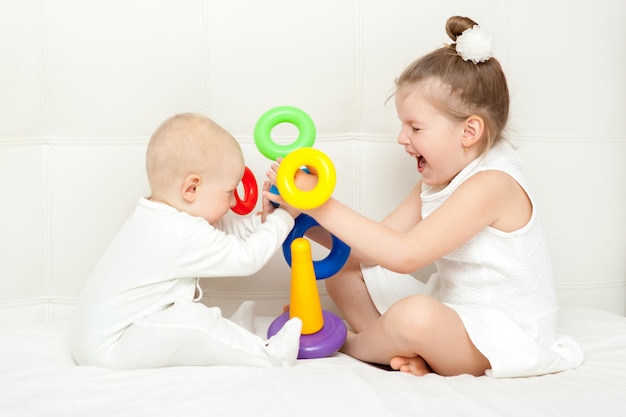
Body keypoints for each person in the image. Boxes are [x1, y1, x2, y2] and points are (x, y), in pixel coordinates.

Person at [265, 16, 583, 378]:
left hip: (507, 338)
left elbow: (405, 255)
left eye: (415, 127)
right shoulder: (437, 178)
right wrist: (303, 215)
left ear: (470, 131)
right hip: (458, 319)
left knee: (415, 316)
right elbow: (372, 249)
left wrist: (321, 202)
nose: (402, 138)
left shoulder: (493, 184)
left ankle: (348, 343)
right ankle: (392, 347)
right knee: (344, 271)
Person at [71, 113, 302, 370]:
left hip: (101, 339)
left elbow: (224, 233)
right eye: (229, 192)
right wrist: (284, 217)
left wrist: (264, 220)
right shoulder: (176, 232)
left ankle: (234, 334)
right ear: (192, 188)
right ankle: (271, 356)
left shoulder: (159, 216)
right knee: (190, 321)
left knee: (186, 319)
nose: (235, 202)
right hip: (111, 347)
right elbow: (246, 258)